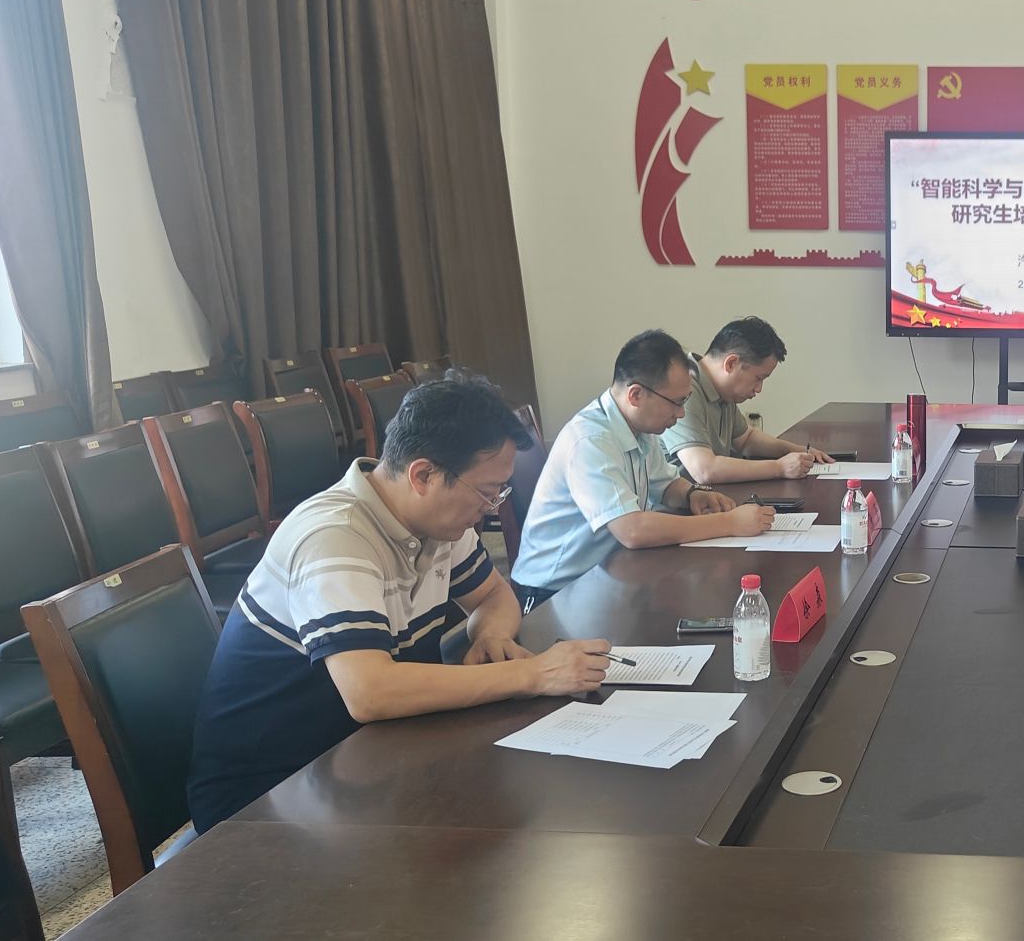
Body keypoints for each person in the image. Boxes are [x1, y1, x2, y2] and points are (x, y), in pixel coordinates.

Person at [187, 374, 611, 833]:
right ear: (423, 475)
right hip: (268, 800)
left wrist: (489, 633)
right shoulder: (335, 537)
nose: (492, 507)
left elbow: (493, 594)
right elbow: (371, 693)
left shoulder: (438, 522)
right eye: (486, 492)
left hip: (369, 760)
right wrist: (535, 674)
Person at [510, 329, 775, 601]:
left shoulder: (640, 426)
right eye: (676, 402)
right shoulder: (590, 441)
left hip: (609, 571)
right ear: (636, 395)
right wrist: (729, 523)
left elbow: (667, 485)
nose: (681, 413)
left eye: (684, 401)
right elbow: (632, 530)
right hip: (553, 592)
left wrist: (693, 494)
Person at [663, 316, 833, 483]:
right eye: (759, 378)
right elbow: (705, 470)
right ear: (731, 363)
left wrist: (796, 451)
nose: (759, 389)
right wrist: (779, 468)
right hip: (679, 500)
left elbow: (745, 439)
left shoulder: (723, 392)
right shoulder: (684, 389)